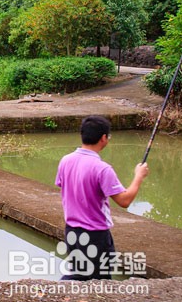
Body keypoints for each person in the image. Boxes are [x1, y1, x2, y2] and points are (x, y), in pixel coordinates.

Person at [55, 115, 149, 280]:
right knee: (100, 280)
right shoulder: (102, 169)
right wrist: (138, 177)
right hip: (95, 236)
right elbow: (124, 201)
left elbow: (64, 186)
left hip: (71, 231)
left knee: (81, 273)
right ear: (103, 138)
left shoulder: (65, 160)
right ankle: (58, 289)